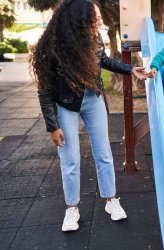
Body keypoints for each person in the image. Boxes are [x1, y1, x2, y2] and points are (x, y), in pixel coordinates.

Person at [30, 0, 148, 232]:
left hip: (93, 100)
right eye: (95, 19)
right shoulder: (53, 47)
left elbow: (103, 60)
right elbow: (44, 90)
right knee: (70, 158)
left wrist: (130, 69)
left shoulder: (94, 39)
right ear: (78, 21)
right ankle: (71, 208)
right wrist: (52, 126)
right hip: (66, 104)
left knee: (104, 152)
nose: (100, 22)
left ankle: (111, 200)